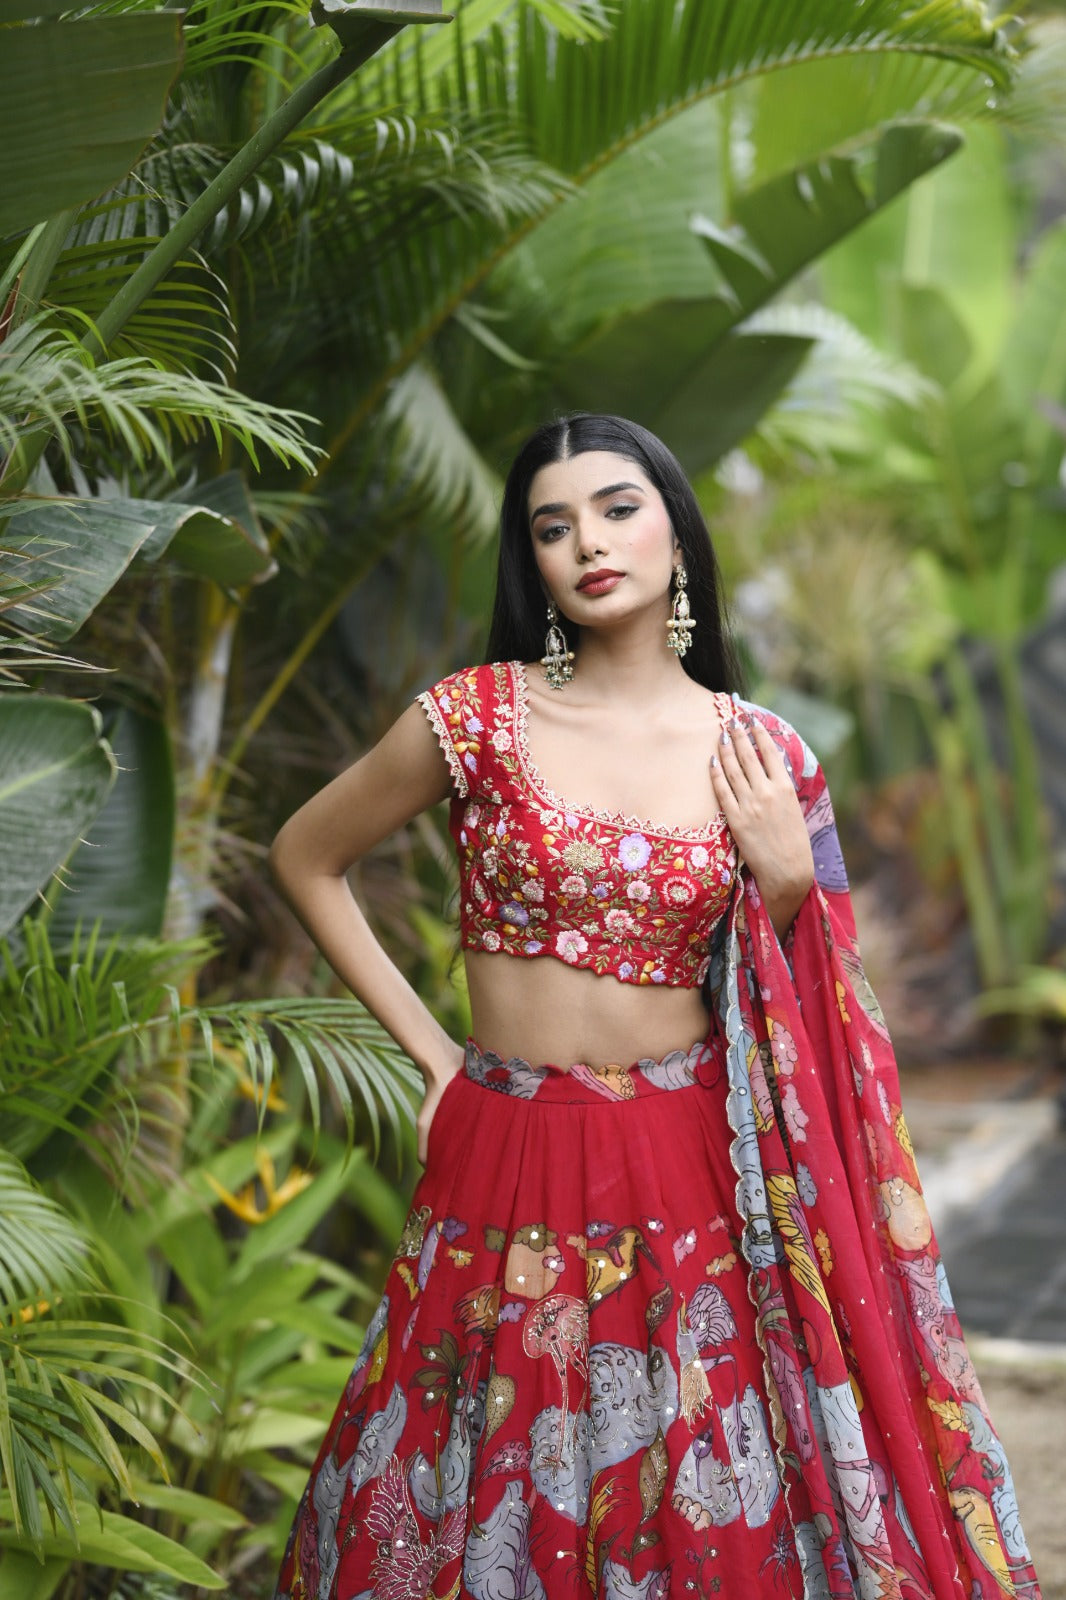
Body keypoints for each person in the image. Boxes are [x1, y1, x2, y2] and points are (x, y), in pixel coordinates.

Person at [270, 415, 1040, 1600]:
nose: (588, 541)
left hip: (682, 1159)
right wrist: (431, 1057)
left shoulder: (757, 753)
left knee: (685, 1479)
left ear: (678, 532)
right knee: (460, 1465)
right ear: (530, 561)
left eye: (618, 508)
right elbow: (306, 855)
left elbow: (828, 1005)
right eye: (552, 523)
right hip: (504, 1143)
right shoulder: (475, 717)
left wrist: (786, 885)